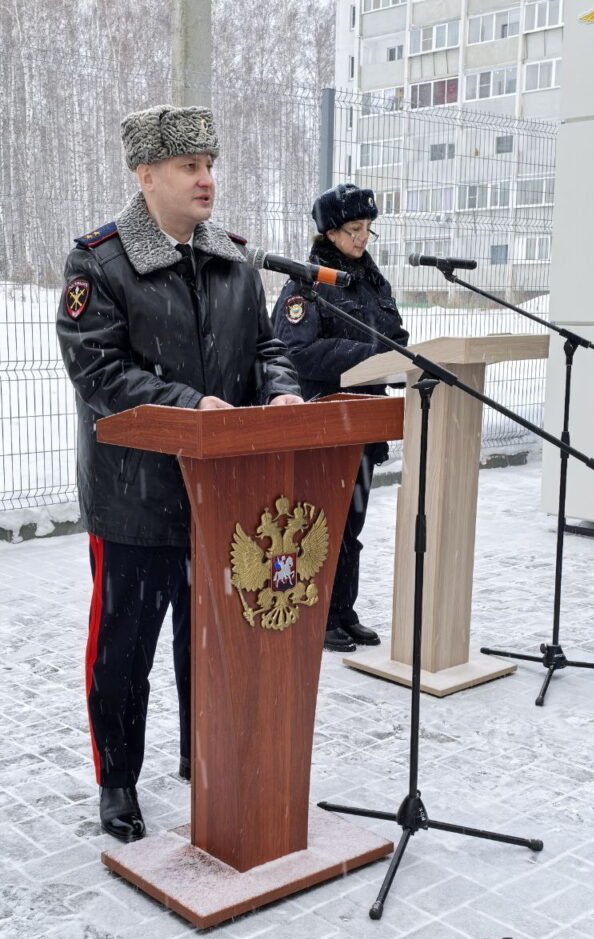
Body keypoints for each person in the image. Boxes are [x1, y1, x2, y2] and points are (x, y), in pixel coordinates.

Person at [56, 104, 302, 842]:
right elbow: (98, 369)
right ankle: (118, 781)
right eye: (189, 166)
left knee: (216, 645)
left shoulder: (233, 260)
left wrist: (281, 389)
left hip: (224, 497)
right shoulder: (101, 263)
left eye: (209, 165)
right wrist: (191, 405)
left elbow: (266, 347)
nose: (206, 180)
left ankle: (206, 755)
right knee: (124, 651)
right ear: (147, 175)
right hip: (137, 499)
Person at [273, 183, 409, 653]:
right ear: (330, 233)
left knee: (351, 526)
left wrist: (399, 358)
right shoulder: (307, 284)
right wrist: (369, 355)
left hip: (366, 425)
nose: (363, 237)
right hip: (324, 424)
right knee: (317, 526)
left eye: (368, 228)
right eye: (354, 229)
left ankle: (341, 611)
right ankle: (314, 612)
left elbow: (394, 335)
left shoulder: (373, 282)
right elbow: (294, 351)